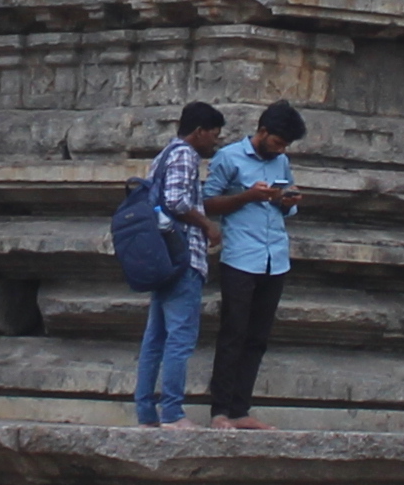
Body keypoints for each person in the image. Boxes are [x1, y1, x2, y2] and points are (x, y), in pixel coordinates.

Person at [201, 103, 307, 426]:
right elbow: (207, 202)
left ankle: (240, 409)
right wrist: (247, 196)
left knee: (258, 337)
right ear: (262, 132)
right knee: (233, 333)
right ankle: (220, 411)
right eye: (277, 143)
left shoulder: (282, 161)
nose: (281, 149)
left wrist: (287, 201)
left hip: (275, 257)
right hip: (240, 257)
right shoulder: (229, 158)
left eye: (286, 146)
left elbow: (284, 200)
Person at [129, 101, 225, 427]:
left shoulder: (163, 155)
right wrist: (207, 225)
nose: (215, 141)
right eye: (213, 135)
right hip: (183, 257)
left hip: (161, 258)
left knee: (155, 338)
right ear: (198, 132)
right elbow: (176, 201)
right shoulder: (185, 155)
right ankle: (172, 411)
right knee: (180, 339)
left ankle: (145, 411)